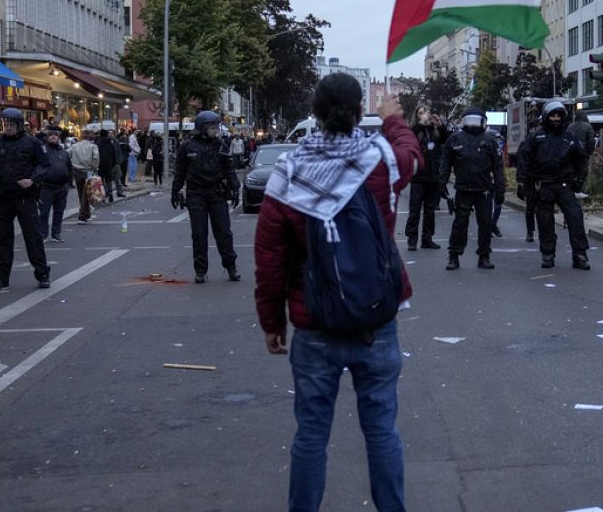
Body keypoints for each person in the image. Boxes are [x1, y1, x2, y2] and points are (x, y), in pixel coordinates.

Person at [254, 77, 419, 511]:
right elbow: (414, 156)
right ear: (355, 111)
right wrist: (393, 118)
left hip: (315, 324)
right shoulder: (382, 160)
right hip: (375, 321)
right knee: (382, 430)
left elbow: (270, 257)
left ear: (316, 112)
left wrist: (272, 322)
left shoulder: (289, 171)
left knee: (311, 434)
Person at [0, 107, 51, 291]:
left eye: (11, 124)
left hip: (25, 198)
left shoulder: (31, 143)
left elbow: (44, 165)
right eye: (5, 124)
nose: (7, 127)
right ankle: (1, 277)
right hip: (2, 198)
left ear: (18, 125)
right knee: (2, 239)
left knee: (33, 237)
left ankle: (42, 274)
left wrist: (32, 179)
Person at [517, 100, 591, 270]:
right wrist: (522, 183)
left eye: (558, 116)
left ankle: (580, 255)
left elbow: (582, 159)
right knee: (545, 221)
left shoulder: (569, 137)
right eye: (553, 116)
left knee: (575, 217)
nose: (556, 119)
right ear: (546, 117)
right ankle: (548, 254)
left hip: (564, 184)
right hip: (543, 185)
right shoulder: (536, 137)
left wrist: (579, 181)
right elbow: (524, 159)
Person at [172, 110, 241, 283]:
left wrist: (235, 188)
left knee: (224, 233)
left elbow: (229, 169)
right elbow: (180, 173)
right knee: (199, 234)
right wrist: (175, 191)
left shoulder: (222, 145)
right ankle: (200, 270)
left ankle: (231, 267)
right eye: (212, 126)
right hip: (196, 194)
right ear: (202, 127)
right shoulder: (187, 147)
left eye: (216, 125)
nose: (216, 129)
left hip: (217, 193)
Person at [441, 107, 506, 270]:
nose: (473, 125)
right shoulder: (455, 139)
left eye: (477, 121)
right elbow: (445, 164)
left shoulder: (489, 140)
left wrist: (500, 188)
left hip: (484, 189)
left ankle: (484, 256)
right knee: (459, 224)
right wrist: (441, 184)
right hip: (463, 188)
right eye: (470, 121)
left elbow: (498, 166)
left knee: (485, 224)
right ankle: (453, 255)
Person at [405, 106, 448, 252]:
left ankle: (427, 238)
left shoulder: (434, 131)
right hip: (418, 177)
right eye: (420, 113)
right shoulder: (415, 130)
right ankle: (412, 239)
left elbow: (447, 140)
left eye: (426, 113)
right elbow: (409, 138)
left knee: (430, 210)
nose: (424, 116)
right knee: (415, 209)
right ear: (416, 116)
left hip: (433, 176)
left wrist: (440, 125)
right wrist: (419, 125)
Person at [38, 128, 73, 242]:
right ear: (47, 138)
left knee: (59, 212)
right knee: (44, 212)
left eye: (55, 135)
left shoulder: (64, 152)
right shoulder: (42, 151)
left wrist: (68, 183)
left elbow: (69, 167)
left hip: (62, 187)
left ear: (58, 138)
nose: (53, 137)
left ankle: (56, 233)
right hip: (46, 187)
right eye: (51, 135)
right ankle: (43, 234)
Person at [69, 129, 100, 223]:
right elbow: (95, 158)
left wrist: (72, 164)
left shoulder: (74, 146)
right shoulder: (93, 146)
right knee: (87, 194)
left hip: (77, 171)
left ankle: (86, 214)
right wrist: (95, 168)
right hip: (88, 171)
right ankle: (82, 216)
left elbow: (67, 154)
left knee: (81, 193)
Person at [519, 117, 541, 242]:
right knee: (531, 207)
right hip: (530, 179)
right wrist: (521, 180)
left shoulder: (544, 141)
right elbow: (521, 162)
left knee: (542, 208)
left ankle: (540, 231)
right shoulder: (526, 143)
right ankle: (530, 231)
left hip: (542, 178)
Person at [567, 110, 596, 199]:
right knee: (583, 171)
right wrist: (589, 152)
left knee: (572, 171)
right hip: (583, 153)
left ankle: (572, 189)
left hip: (571, 152)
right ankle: (578, 189)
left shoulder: (570, 126)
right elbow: (592, 140)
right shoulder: (588, 126)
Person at [96, 129, 118, 203]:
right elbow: (114, 154)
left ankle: (104, 195)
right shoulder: (110, 143)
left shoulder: (98, 144)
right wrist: (114, 164)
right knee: (109, 180)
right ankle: (110, 193)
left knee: (101, 181)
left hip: (100, 165)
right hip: (109, 164)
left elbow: (96, 155)